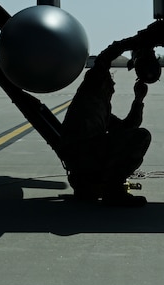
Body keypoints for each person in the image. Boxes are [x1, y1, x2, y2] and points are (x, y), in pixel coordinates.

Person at [60, 44, 155, 206]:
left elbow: (128, 127)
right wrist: (134, 41)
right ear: (101, 84)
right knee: (142, 136)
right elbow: (103, 60)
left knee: (137, 135)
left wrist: (138, 100)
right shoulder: (90, 95)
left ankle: (91, 186)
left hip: (83, 160)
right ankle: (113, 191)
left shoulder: (99, 110)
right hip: (83, 156)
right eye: (110, 81)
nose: (113, 86)